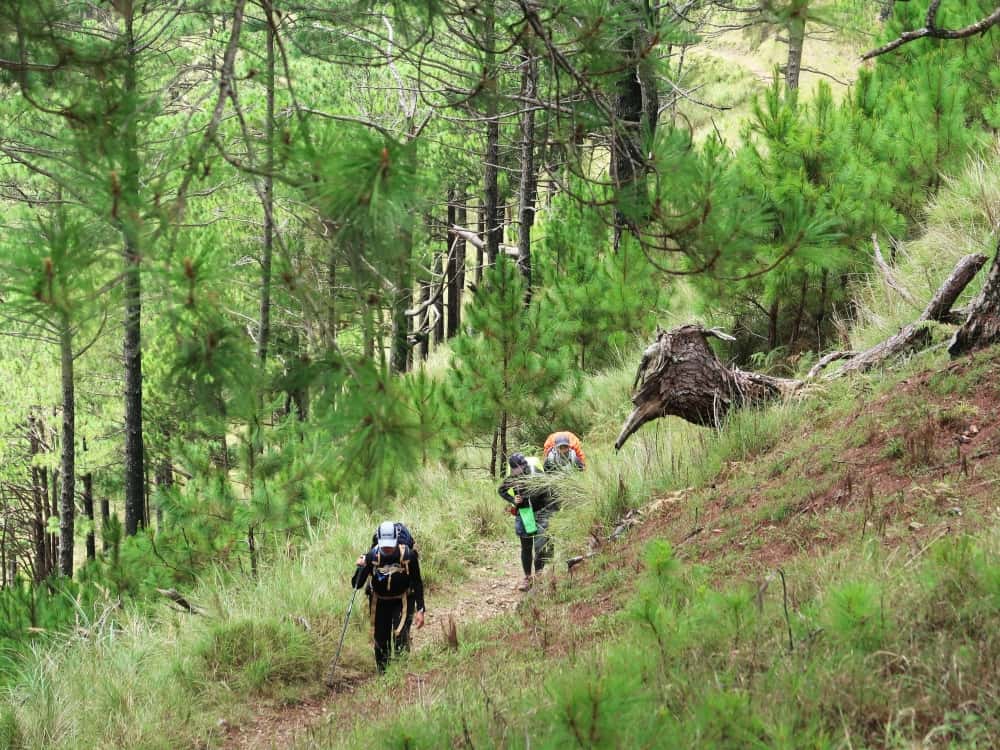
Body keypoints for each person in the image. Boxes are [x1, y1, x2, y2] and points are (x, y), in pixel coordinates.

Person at [351, 520, 425, 673]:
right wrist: (361, 567)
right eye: (384, 544)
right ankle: (383, 675)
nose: (387, 548)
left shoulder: (408, 555)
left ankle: (401, 674)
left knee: (400, 635)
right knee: (380, 639)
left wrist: (421, 610)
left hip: (403, 600)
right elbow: (356, 585)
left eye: (390, 545)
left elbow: (417, 582)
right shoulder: (372, 556)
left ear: (396, 540)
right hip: (379, 601)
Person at [497, 452, 557, 591]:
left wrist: (552, 512)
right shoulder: (513, 478)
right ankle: (528, 578)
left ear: (524, 465)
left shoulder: (537, 475)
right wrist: (513, 500)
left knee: (541, 545)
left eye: (521, 467)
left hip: (541, 512)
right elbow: (501, 490)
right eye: (515, 469)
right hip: (525, 513)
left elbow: (551, 493)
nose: (518, 471)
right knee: (526, 546)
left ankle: (539, 575)